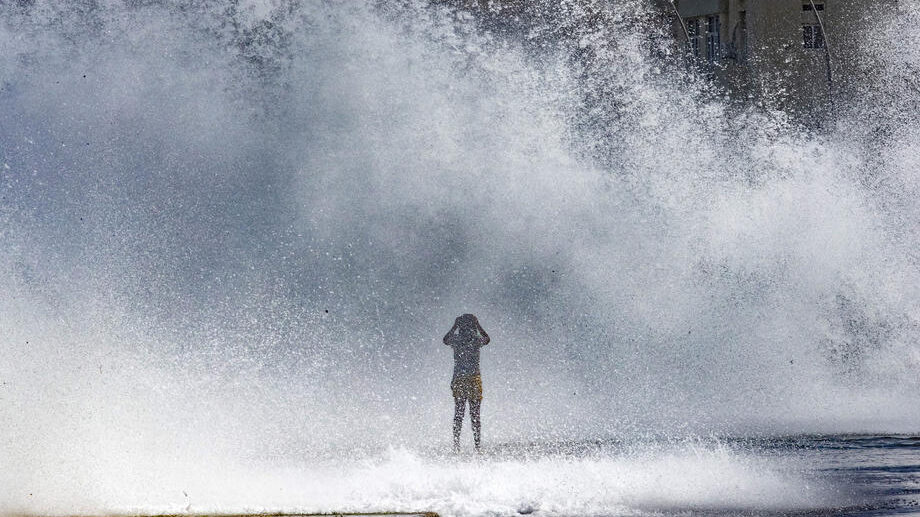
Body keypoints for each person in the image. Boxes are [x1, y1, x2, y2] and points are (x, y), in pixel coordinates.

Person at [443, 313, 490, 452]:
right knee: (475, 414)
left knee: (459, 413)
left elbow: (445, 340)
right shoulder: (475, 340)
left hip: (459, 379)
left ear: (460, 327)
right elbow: (487, 339)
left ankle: (456, 445)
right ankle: (477, 446)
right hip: (474, 379)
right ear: (472, 327)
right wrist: (478, 325)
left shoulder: (457, 340)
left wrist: (454, 325)